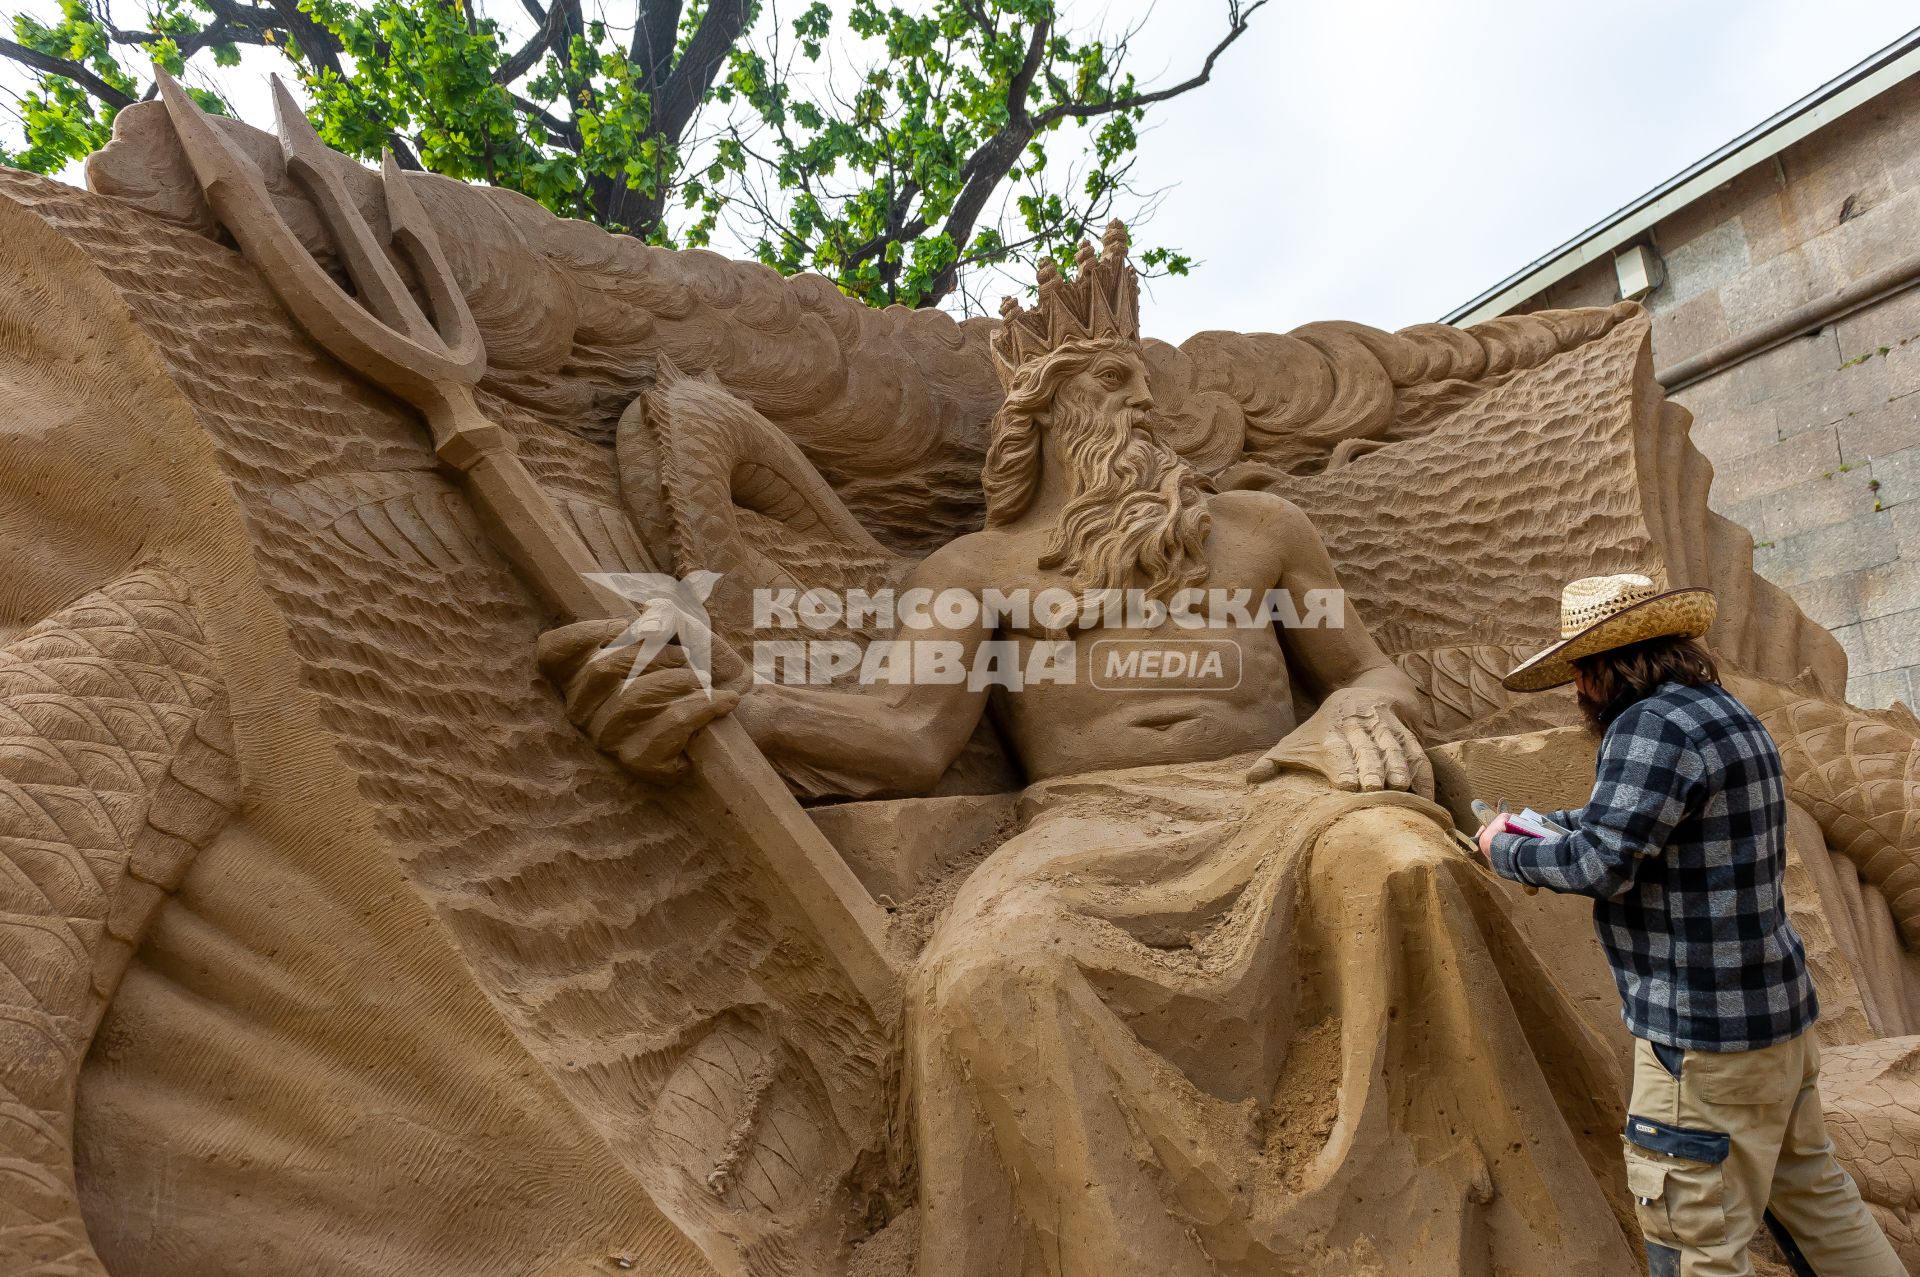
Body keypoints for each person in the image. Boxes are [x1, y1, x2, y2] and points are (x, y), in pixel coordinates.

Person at [1479, 572, 1906, 1277]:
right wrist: (1541, 824)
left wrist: (1507, 851)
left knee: (1694, 1245)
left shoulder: (1646, 727)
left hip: (1702, 1047)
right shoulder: (1722, 712)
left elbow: (1602, 864)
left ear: (1597, 668)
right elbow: (1634, 824)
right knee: (1825, 1212)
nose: (1577, 692)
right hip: (1777, 1031)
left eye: (1577, 673)